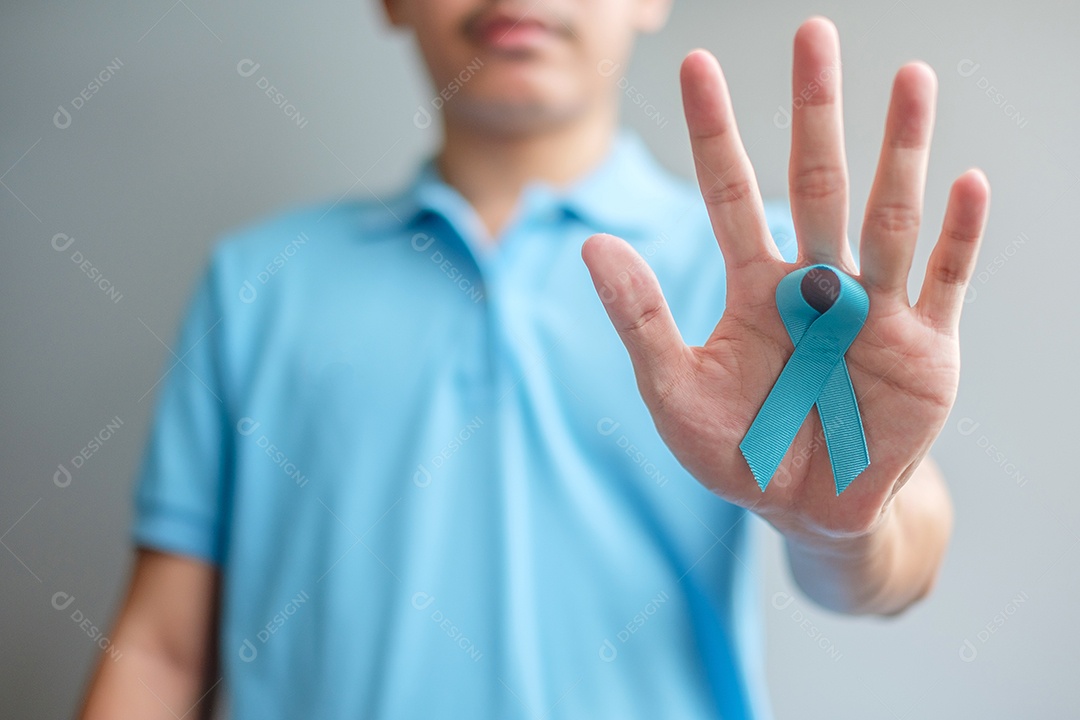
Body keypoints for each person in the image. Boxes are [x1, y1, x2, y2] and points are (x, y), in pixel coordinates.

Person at [78, 1, 989, 718]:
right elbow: (160, 654)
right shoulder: (259, 285)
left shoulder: (774, 290)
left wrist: (843, 530)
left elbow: (909, 541)